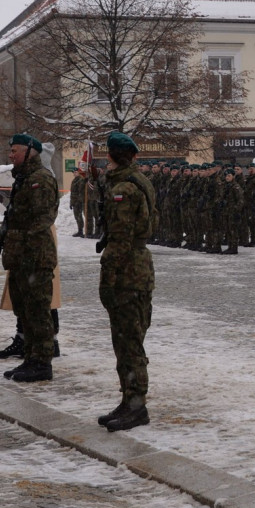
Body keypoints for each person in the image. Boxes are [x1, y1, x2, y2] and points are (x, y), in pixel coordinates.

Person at [96, 132, 157, 432]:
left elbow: (120, 239)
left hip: (127, 273)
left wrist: (107, 278)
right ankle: (129, 399)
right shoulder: (137, 181)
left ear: (112, 155)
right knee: (125, 339)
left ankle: (136, 405)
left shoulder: (124, 189)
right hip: (136, 269)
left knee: (129, 340)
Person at [0, 133, 59, 382]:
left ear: (31, 151)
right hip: (21, 256)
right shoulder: (23, 179)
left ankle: (42, 363)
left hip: (34, 256)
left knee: (38, 311)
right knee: (24, 310)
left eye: (15, 151)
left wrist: (17, 239)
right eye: (10, 151)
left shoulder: (40, 179)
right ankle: (31, 358)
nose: (11, 156)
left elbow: (41, 220)